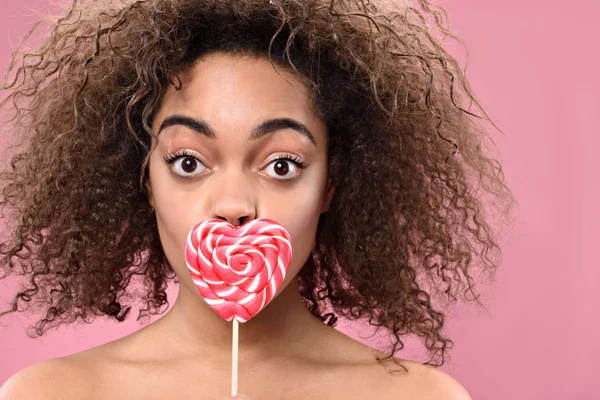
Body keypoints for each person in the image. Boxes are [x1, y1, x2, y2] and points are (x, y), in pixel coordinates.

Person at [0, 0, 516, 398]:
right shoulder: (49, 394)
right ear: (145, 183)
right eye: (188, 162)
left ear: (330, 187)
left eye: (281, 165)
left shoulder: (419, 397)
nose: (233, 205)